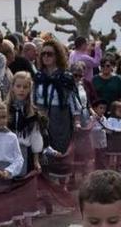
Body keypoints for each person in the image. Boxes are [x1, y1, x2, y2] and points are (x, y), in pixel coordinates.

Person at [33, 39, 81, 172]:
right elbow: (33, 98)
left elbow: (73, 100)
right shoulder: (38, 76)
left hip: (60, 116)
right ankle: (48, 184)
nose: (46, 57)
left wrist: (77, 120)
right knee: (43, 149)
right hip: (41, 116)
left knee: (60, 149)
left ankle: (62, 184)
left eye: (50, 54)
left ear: (57, 56)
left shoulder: (66, 77)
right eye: (43, 54)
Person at [7, 71, 43, 175]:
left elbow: (36, 137)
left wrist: (36, 161)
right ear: (12, 87)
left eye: (25, 87)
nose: (21, 90)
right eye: (18, 86)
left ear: (29, 89)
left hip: (24, 152)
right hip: (6, 151)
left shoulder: (32, 112)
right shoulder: (4, 108)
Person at [86, 99, 109, 171]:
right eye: (100, 108)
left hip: (103, 142)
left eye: (104, 108)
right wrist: (101, 128)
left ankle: (102, 169)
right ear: (95, 109)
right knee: (96, 158)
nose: (102, 110)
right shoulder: (91, 119)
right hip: (94, 143)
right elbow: (91, 129)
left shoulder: (104, 119)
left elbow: (107, 127)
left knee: (102, 157)